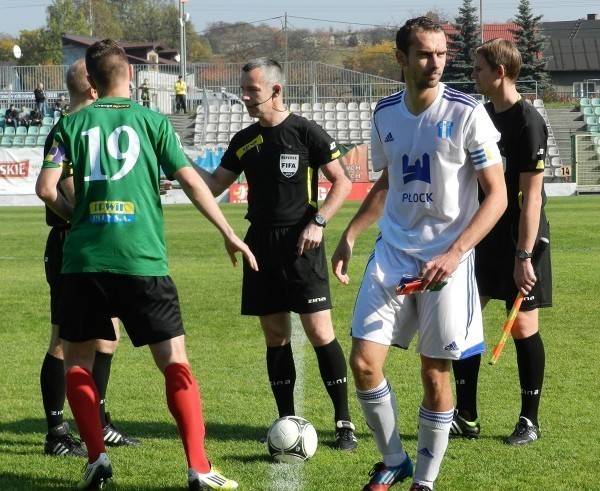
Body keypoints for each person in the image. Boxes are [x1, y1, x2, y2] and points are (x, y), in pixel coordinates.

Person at [36, 38, 257, 490]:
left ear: (92, 84)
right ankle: (198, 466)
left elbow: (45, 188)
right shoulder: (153, 122)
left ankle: (96, 457)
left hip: (83, 262)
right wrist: (228, 231)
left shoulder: (68, 126)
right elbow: (194, 182)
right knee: (173, 361)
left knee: (76, 360)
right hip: (141, 259)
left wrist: (76, 217)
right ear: (130, 76)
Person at [331, 17, 507, 491]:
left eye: (442, 54)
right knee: (364, 363)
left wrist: (454, 254)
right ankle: (393, 460)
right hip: (392, 254)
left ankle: (424, 482)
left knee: (435, 373)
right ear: (402, 58)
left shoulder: (467, 112)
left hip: (448, 261)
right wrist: (350, 232)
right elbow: (388, 183)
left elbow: (498, 196)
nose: (436, 64)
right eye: (425, 54)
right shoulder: (384, 113)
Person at [196, 57, 358, 451]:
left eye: (251, 90)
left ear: (275, 90)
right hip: (260, 246)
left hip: (303, 243)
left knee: (321, 333)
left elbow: (341, 182)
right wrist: (181, 170)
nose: (245, 97)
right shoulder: (245, 139)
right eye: (244, 90)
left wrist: (318, 222)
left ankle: (344, 422)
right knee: (275, 335)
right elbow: (217, 182)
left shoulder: (305, 132)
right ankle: (286, 419)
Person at [450, 38, 552, 446]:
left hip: (521, 240)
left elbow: (532, 199)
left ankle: (529, 420)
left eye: (478, 69)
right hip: (482, 236)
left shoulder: (528, 122)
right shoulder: (479, 116)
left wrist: (523, 256)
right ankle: (466, 416)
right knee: (464, 320)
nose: (473, 76)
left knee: (524, 326)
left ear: (500, 72)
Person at [40, 59, 140, 458]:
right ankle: (56, 433)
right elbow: (61, 191)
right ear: (94, 88)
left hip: (98, 243)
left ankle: (97, 421)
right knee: (65, 341)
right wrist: (81, 220)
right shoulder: (69, 129)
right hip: (71, 245)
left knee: (107, 336)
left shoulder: (94, 128)